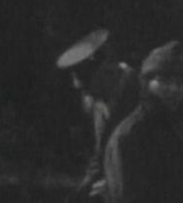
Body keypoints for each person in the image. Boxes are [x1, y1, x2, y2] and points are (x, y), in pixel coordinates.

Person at [103, 41, 183, 203]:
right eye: (165, 81)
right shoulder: (131, 135)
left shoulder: (177, 127)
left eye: (180, 83)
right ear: (147, 83)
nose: (174, 89)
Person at [56, 29, 139, 200]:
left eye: (88, 87)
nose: (86, 95)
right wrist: (84, 188)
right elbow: (99, 152)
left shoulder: (138, 93)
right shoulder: (98, 101)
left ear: (106, 70)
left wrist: (115, 183)